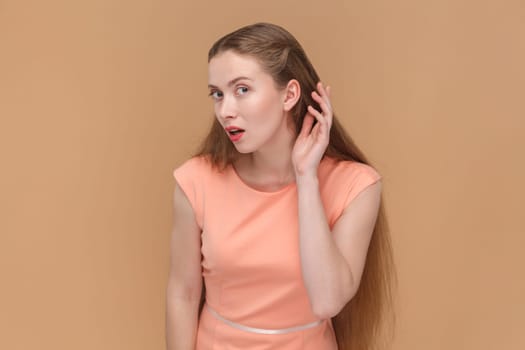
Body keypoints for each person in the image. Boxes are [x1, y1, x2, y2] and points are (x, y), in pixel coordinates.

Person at [166, 22, 395, 350]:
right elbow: (183, 294)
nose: (225, 110)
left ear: (289, 95)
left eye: (241, 89)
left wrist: (306, 178)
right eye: (217, 94)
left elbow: (327, 301)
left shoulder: (356, 186)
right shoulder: (196, 181)